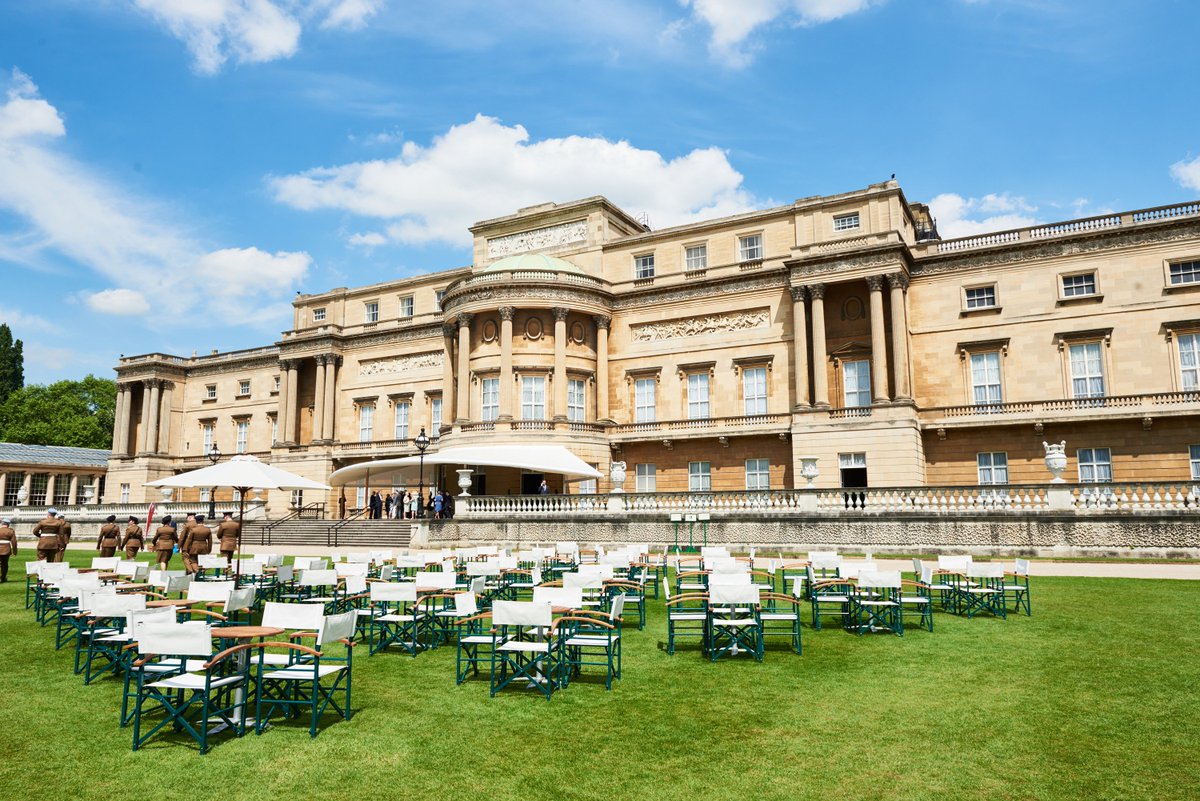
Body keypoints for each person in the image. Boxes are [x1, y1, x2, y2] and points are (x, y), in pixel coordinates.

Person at [0, 517, 16, 582]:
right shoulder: (10, 531)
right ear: (8, 524)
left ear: (2, 523)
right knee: (4, 565)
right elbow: (14, 542)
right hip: (6, 549)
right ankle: (3, 578)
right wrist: (14, 551)